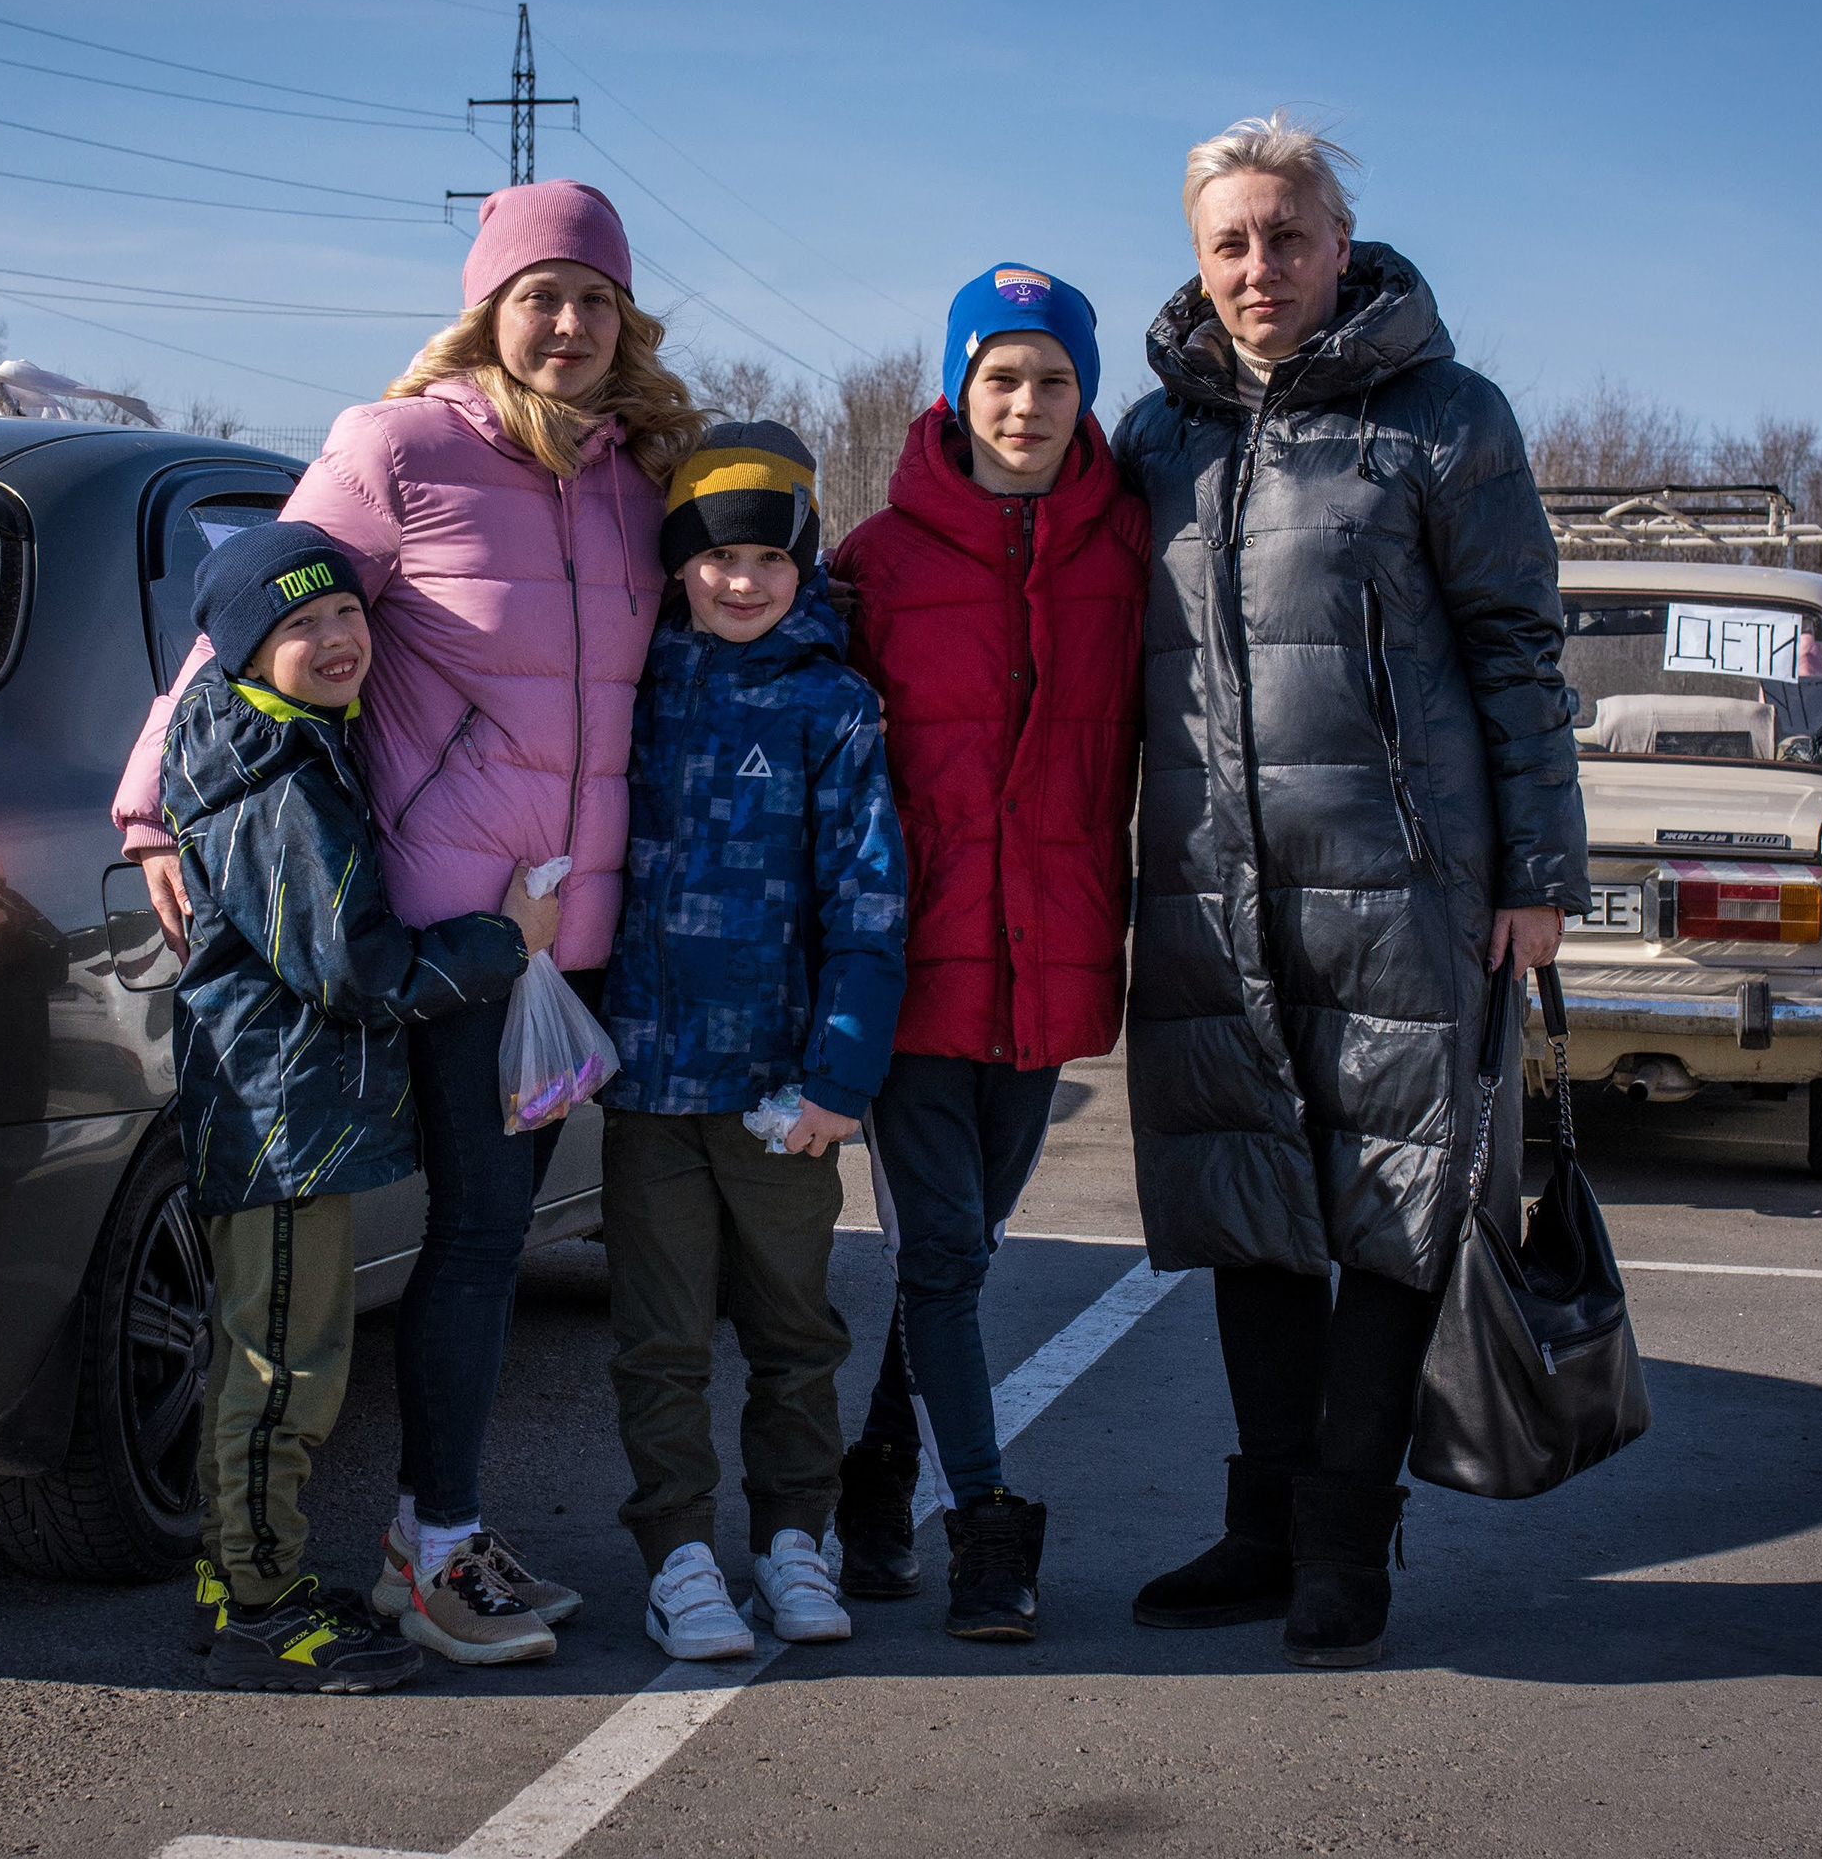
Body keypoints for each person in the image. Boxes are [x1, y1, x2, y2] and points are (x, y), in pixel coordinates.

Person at [113, 181, 708, 1664]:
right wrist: (148, 807)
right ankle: (429, 1543)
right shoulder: (399, 449)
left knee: (501, 1240)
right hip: (452, 929)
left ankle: (435, 1531)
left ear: (622, 314)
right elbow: (236, 626)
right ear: (486, 311)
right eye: (536, 296)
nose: (565, 325)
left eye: (591, 298)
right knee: (479, 1237)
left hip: (572, 932)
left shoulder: (644, 472)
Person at [1115, 113, 1589, 1667]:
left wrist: (1535, 873)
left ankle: (1342, 1544)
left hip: (1401, 888)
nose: (1260, 268)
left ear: (1339, 244)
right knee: (1250, 1206)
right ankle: (1259, 1531)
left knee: (1389, 1211)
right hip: (1207, 884)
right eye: (1229, 242)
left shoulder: (1443, 419)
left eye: (1287, 235)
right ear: (1198, 258)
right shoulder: (1154, 435)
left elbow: (1517, 650)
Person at [163, 524, 560, 1691]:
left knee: (279, 1356)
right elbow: (354, 968)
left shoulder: (287, 740)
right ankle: (259, 1610)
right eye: (299, 625)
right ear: (244, 648)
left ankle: (238, 1575)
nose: (337, 639)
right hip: (281, 1111)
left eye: (345, 613)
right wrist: (503, 941)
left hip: (291, 1107)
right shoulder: (271, 772)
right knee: (282, 1364)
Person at [826, 265, 1148, 1641]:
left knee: (957, 1250)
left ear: (1086, 395)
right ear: (954, 388)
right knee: (946, 1258)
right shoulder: (874, 562)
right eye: (998, 376)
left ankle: (876, 1470)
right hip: (908, 966)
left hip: (1057, 956)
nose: (1023, 403)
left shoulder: (1130, 548)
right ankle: (985, 1528)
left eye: (1052, 379)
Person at [596, 422, 907, 1662]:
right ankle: (676, 1550)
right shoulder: (633, 686)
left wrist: (840, 1075)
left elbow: (869, 904)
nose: (741, 579)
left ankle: (794, 1534)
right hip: (647, 1083)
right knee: (660, 1335)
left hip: (782, 1089)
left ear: (802, 565)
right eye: (716, 556)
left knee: (793, 1328)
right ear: (678, 562)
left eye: (768, 560)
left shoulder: (834, 704)